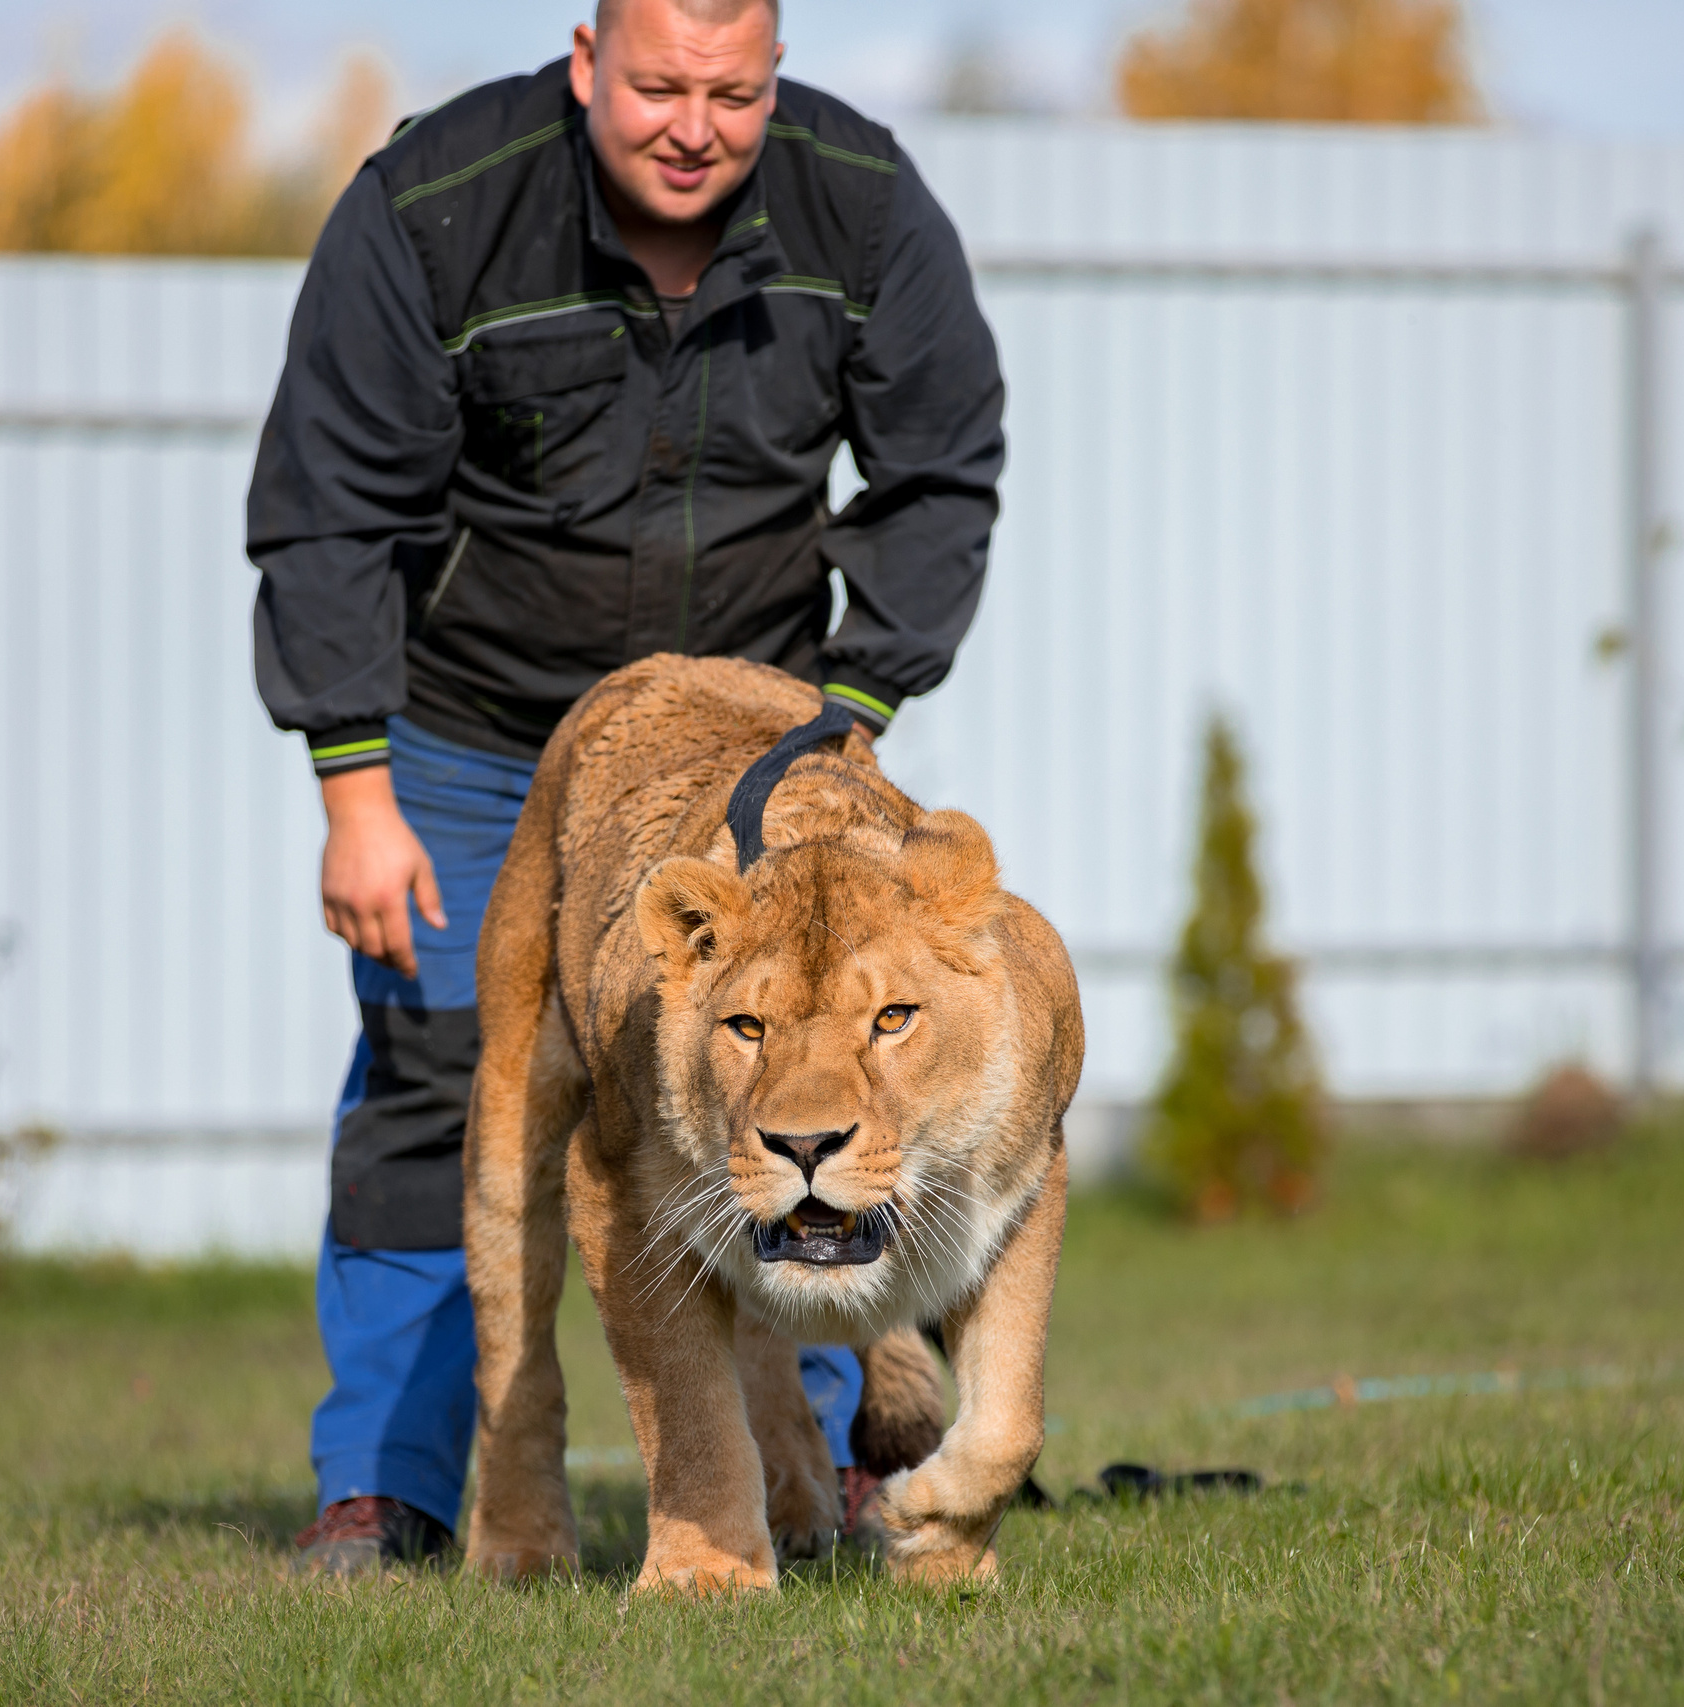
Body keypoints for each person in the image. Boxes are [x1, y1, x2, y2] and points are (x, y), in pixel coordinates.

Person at [246, 0, 1005, 1574]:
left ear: (772, 77)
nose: (693, 125)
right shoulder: (437, 205)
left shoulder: (860, 203)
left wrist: (843, 722)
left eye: (732, 93)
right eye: (656, 84)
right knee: (433, 1073)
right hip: (474, 728)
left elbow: (940, 468)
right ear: (586, 60)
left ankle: (801, 1479)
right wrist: (353, 793)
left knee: (783, 1071)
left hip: (755, 744)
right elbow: (330, 505)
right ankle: (390, 1487)